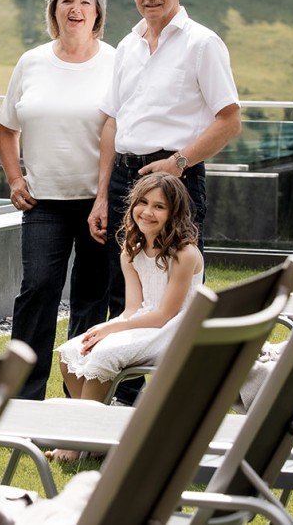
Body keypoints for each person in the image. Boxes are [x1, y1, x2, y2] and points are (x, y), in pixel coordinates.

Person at [89, 0, 240, 402]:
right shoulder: (128, 46)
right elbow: (112, 123)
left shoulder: (202, 43)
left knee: (177, 288)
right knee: (125, 284)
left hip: (176, 179)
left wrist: (178, 162)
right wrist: (102, 195)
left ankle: (184, 397)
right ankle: (124, 398)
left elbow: (229, 120)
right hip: (125, 176)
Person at [0, 0, 116, 400]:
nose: (75, 9)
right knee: (38, 291)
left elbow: (121, 131)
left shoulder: (115, 62)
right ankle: (23, 395)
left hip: (100, 202)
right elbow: (5, 128)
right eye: (67, 0)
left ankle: (80, 394)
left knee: (90, 299)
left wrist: (105, 197)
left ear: (98, 10)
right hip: (43, 202)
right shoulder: (32, 62)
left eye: (85, 1)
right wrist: (14, 178)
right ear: (54, 9)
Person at [48, 172, 203, 460]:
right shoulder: (131, 251)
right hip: (145, 321)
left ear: (174, 212)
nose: (148, 212)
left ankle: (75, 444)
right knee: (71, 352)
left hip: (176, 329)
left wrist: (113, 331)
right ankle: (98, 439)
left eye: (159, 206)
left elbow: (166, 314)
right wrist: (108, 326)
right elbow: (133, 308)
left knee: (102, 357)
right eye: (143, 202)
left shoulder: (185, 253)